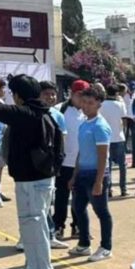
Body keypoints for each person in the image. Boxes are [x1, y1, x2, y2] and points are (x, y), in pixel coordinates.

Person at [0, 76, 64, 269]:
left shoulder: (26, 114)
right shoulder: (43, 113)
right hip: (38, 180)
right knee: (33, 231)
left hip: (32, 182)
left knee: (35, 231)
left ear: (18, 96)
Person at [69, 88, 114, 263]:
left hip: (96, 174)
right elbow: (81, 152)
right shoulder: (84, 124)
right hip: (82, 174)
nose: (86, 106)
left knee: (101, 211)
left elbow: (103, 155)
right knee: (78, 207)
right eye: (84, 102)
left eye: (90, 103)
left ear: (98, 105)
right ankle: (84, 243)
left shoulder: (100, 126)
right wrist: (74, 175)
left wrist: (99, 181)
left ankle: (106, 247)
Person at [55, 81, 89, 241]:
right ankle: (58, 226)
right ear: (72, 93)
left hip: (82, 163)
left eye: (85, 95)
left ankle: (77, 226)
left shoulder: (89, 111)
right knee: (61, 197)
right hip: (64, 163)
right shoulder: (60, 110)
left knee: (80, 198)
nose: (82, 99)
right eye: (79, 95)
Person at [97, 84, 129, 198]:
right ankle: (123, 188)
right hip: (119, 136)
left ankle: (108, 189)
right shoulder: (120, 104)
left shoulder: (101, 105)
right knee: (122, 165)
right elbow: (124, 120)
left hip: (105, 138)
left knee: (107, 165)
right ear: (116, 94)